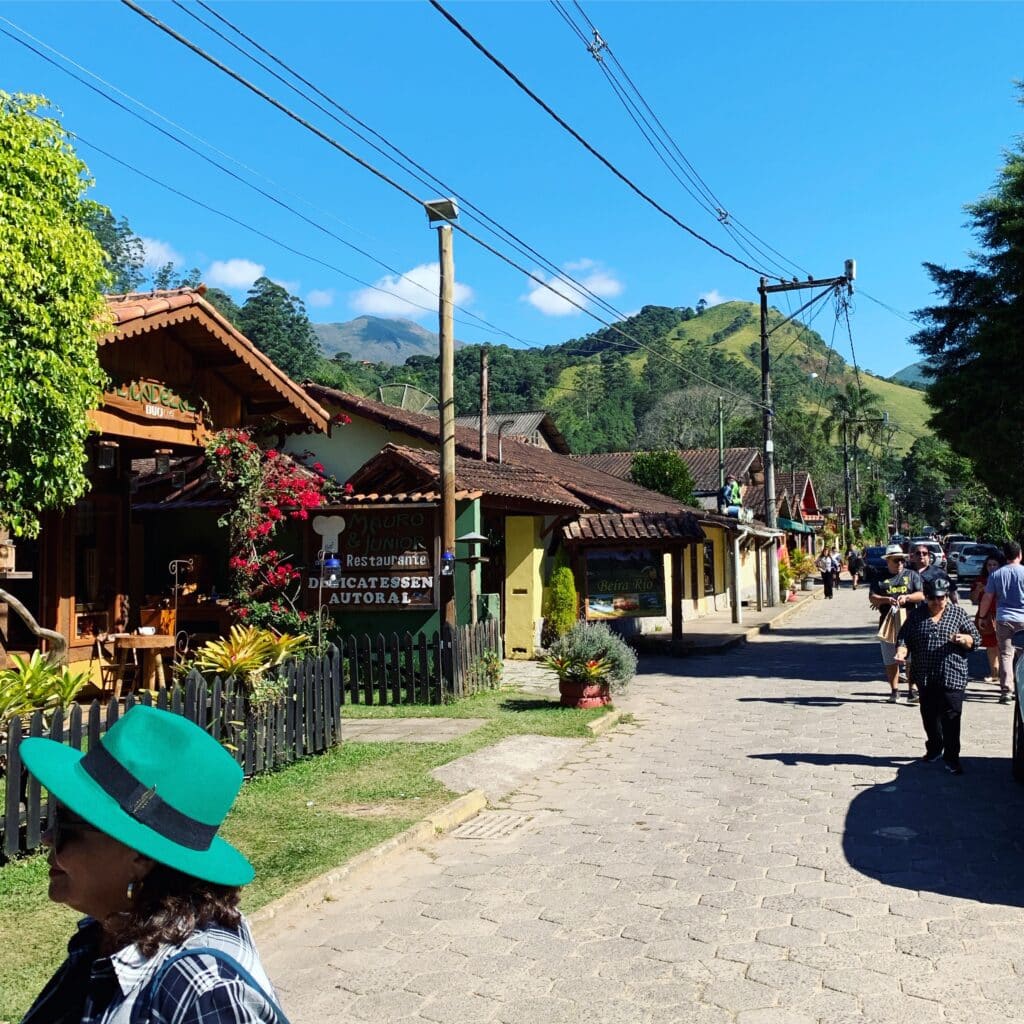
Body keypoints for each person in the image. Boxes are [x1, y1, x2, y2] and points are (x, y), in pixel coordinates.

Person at [19, 705, 282, 1024]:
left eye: (66, 824)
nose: (47, 837)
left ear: (141, 857)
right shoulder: (110, 933)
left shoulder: (205, 992)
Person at [895, 576, 981, 776]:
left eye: (940, 598)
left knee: (951, 718)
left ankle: (952, 757)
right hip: (925, 675)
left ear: (946, 597)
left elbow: (975, 640)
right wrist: (901, 650)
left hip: (952, 675)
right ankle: (934, 748)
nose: (936, 602)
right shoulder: (916, 616)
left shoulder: (958, 614)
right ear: (925, 597)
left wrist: (964, 639)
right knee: (929, 716)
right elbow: (904, 637)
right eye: (932, 598)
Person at [869, 543, 925, 703]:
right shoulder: (880, 577)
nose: (900, 563)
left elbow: (921, 595)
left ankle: (912, 690)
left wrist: (906, 597)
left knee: (911, 658)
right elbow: (872, 597)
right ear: (888, 561)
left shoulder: (912, 575)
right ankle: (894, 690)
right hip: (888, 622)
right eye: (896, 560)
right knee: (890, 659)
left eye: (902, 560)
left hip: (910, 621)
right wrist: (886, 599)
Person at [978, 540, 1024, 704]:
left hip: (1004, 619)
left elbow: (987, 597)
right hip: (1023, 619)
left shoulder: (996, 574)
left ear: (1005, 556)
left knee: (1006, 654)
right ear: (1020, 555)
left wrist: (982, 617)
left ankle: (1006, 691)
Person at [970, 553, 1003, 684]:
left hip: (1000, 614)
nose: (992, 567)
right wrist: (978, 590)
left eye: (995, 564)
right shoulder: (981, 580)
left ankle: (1004, 674)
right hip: (986, 616)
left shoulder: (1003, 578)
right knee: (990, 646)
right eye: (989, 565)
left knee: (1003, 646)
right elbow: (972, 599)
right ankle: (994, 673)